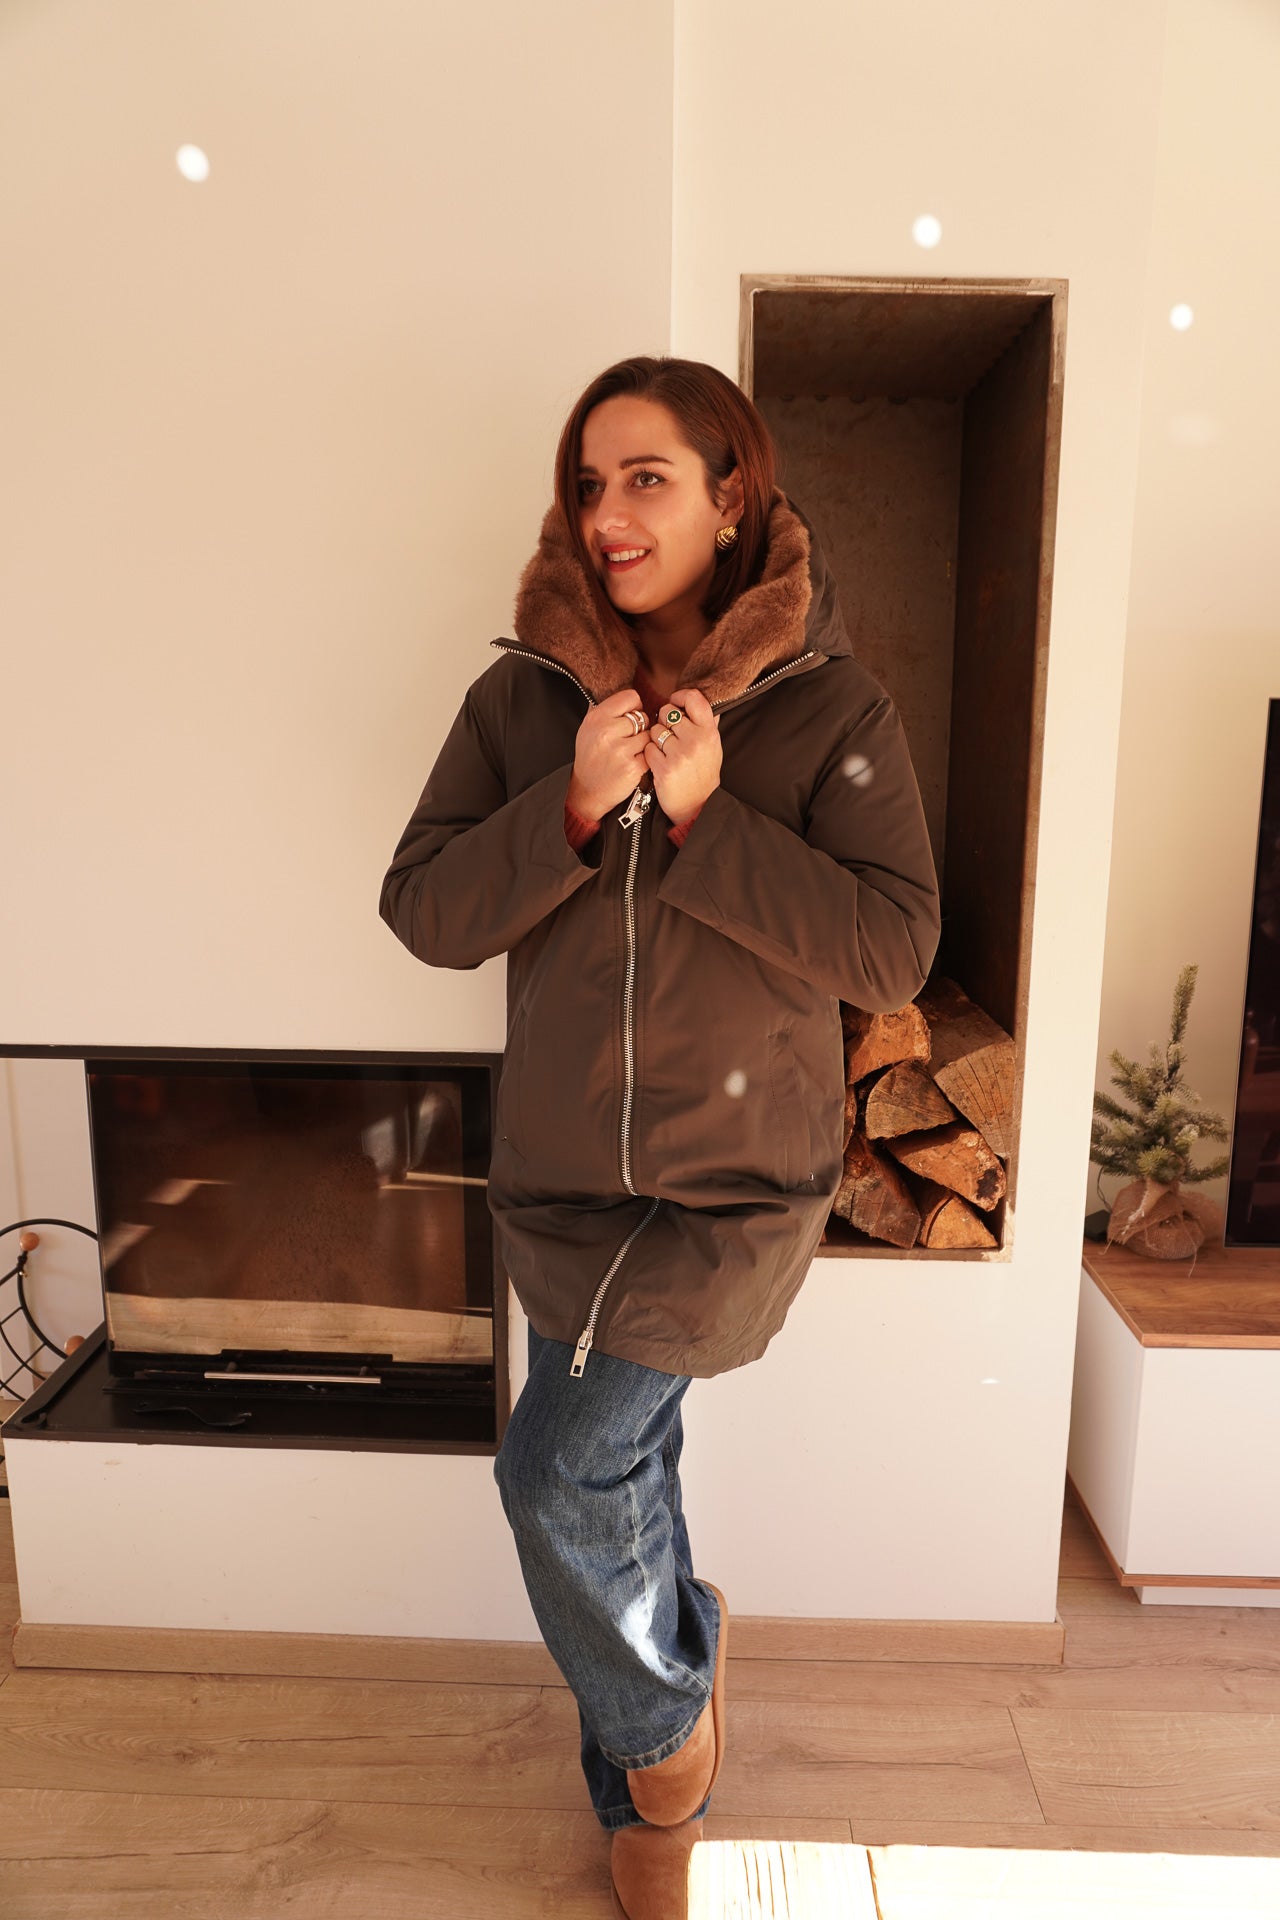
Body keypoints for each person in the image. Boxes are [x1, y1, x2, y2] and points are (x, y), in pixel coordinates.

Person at [378, 355, 941, 1919]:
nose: (609, 515)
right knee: (624, 1471)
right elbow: (425, 909)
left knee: (559, 1474)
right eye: (589, 482)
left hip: (732, 1188)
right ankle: (652, 1769)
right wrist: (566, 808)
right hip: (561, 1176)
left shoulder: (831, 705)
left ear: (731, 495)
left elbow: (894, 948)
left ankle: (664, 1745)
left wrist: (707, 817)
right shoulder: (523, 700)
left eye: (647, 478)